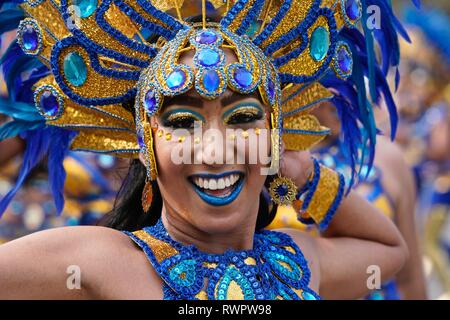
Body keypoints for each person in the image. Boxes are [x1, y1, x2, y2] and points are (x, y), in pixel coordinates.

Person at [0, 0, 413, 300]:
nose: (215, 150)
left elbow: (388, 250)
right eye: (182, 123)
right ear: (147, 147)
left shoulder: (297, 258)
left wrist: (302, 172)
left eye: (243, 118)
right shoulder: (104, 261)